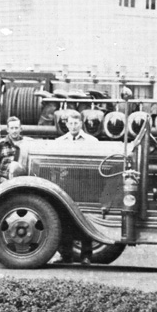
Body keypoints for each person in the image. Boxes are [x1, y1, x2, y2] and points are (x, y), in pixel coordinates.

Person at [53, 109, 98, 265]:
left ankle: (86, 256)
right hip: (66, 184)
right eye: (70, 123)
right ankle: (66, 255)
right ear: (66, 124)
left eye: (76, 123)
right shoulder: (59, 142)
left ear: (81, 124)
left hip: (85, 185)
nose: (73, 126)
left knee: (85, 219)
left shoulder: (91, 142)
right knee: (64, 218)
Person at [0, 116, 27, 187]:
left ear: (20, 129)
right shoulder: (0, 144)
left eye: (16, 128)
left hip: (22, 184)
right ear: (7, 130)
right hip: (3, 184)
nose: (14, 131)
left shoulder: (26, 144)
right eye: (12, 128)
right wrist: (0, 181)